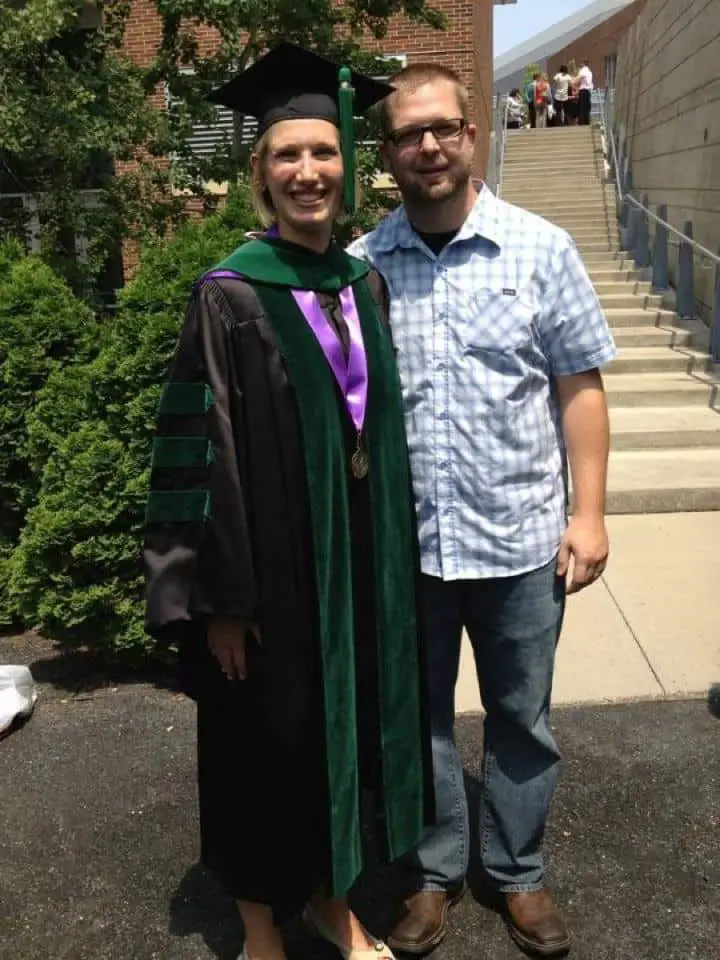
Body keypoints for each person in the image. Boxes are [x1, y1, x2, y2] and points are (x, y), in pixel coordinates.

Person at [144, 42, 434, 960]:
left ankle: (331, 898)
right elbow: (196, 452)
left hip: (352, 577)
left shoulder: (363, 284)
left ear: (349, 164)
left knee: (332, 748)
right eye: (286, 156)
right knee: (261, 747)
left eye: (323, 153)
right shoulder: (229, 296)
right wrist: (220, 601)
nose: (307, 172)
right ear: (260, 175)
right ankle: (261, 923)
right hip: (264, 583)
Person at [349, 62, 615, 957]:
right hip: (408, 551)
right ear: (387, 153)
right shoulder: (361, 269)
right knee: (419, 720)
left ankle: (518, 872)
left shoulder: (542, 248)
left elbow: (579, 388)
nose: (427, 145)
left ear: (471, 133)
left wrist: (590, 516)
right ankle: (434, 872)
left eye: (443, 128)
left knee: (521, 719)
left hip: (519, 544)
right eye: (407, 135)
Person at [575, 59, 594, 126]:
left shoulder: (582, 70)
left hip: (582, 91)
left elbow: (577, 80)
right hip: (588, 91)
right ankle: (587, 122)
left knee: (581, 108)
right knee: (587, 108)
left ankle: (581, 123)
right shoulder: (590, 72)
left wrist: (574, 83)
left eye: (581, 63)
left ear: (583, 64)